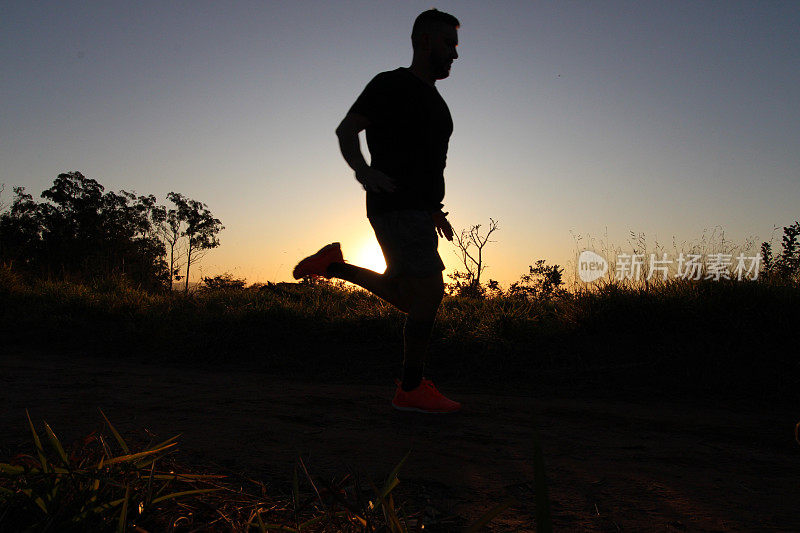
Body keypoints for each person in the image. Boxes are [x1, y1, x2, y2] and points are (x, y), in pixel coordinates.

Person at [293, 9, 461, 414]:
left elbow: (427, 162)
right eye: (448, 44)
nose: (455, 54)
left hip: (416, 208)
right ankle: (411, 388)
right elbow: (347, 129)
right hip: (394, 202)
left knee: (414, 295)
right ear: (425, 41)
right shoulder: (391, 84)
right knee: (428, 293)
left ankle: (333, 266)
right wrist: (363, 170)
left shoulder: (436, 101)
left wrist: (434, 209)